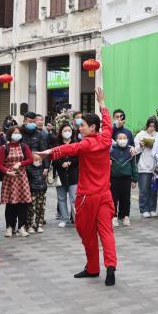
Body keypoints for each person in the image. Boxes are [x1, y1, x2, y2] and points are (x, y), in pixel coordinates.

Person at [36, 88, 117, 285]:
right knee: (106, 232)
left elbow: (67, 148)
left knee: (87, 233)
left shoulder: (87, 144)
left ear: (92, 128)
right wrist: (103, 103)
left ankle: (92, 268)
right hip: (105, 195)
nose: (79, 128)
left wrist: (46, 153)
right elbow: (107, 122)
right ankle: (110, 266)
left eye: (83, 126)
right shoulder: (105, 138)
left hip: (87, 197)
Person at [0, 125, 34, 237]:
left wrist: (20, 163)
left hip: (21, 177)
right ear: (10, 134)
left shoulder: (24, 146)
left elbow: (30, 159)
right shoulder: (4, 148)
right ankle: (9, 227)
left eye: (19, 132)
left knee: (23, 203)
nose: (17, 135)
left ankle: (21, 227)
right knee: (11, 204)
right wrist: (7, 172)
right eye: (15, 132)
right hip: (10, 178)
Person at [134, 118, 158, 218]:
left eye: (154, 126)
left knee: (154, 189)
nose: (151, 128)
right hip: (144, 166)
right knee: (144, 189)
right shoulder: (141, 135)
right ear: (147, 126)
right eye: (150, 126)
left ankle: (152, 208)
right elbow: (135, 150)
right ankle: (144, 209)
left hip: (156, 168)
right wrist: (142, 145)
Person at [109, 130, 135, 226]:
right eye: (120, 138)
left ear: (128, 140)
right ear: (116, 140)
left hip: (126, 178)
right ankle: (114, 216)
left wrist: (134, 179)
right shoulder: (111, 150)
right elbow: (108, 166)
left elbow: (134, 166)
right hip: (114, 178)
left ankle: (125, 216)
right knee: (113, 198)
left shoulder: (130, 151)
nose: (122, 140)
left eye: (124, 138)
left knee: (126, 198)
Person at [26, 134, 51, 234]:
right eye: (36, 160)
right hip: (32, 191)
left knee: (41, 208)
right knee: (31, 209)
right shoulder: (28, 169)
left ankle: (39, 224)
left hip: (42, 191)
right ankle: (30, 225)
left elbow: (45, 180)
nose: (38, 162)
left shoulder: (42, 169)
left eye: (40, 160)